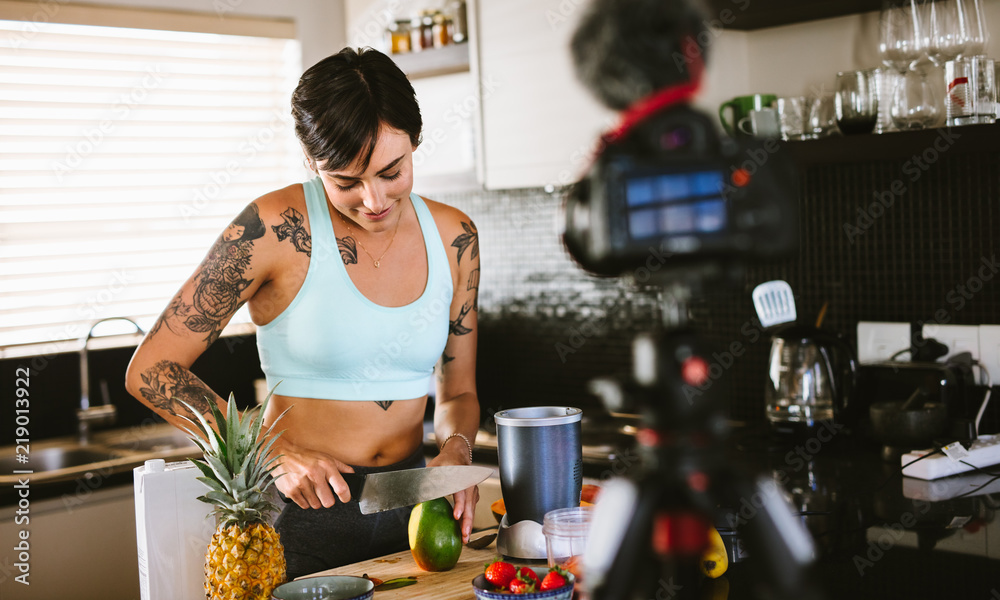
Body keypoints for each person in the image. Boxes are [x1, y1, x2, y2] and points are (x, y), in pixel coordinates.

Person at [125, 46, 481, 580]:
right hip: (296, 516)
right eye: (345, 182)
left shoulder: (456, 236)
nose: (374, 199)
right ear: (312, 162)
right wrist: (271, 450)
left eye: (392, 171)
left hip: (413, 509)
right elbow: (151, 370)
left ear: (415, 142)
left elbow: (457, 392)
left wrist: (457, 451)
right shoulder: (271, 227)